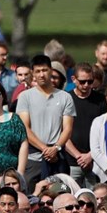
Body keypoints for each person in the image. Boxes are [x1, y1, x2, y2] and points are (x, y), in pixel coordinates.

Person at [17, 54, 76, 184]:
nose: (42, 75)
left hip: (57, 156)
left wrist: (55, 148)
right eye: (38, 71)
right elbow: (24, 128)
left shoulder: (65, 97)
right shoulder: (25, 97)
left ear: (51, 71)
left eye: (44, 70)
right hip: (34, 158)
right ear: (32, 73)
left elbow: (67, 128)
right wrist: (45, 149)